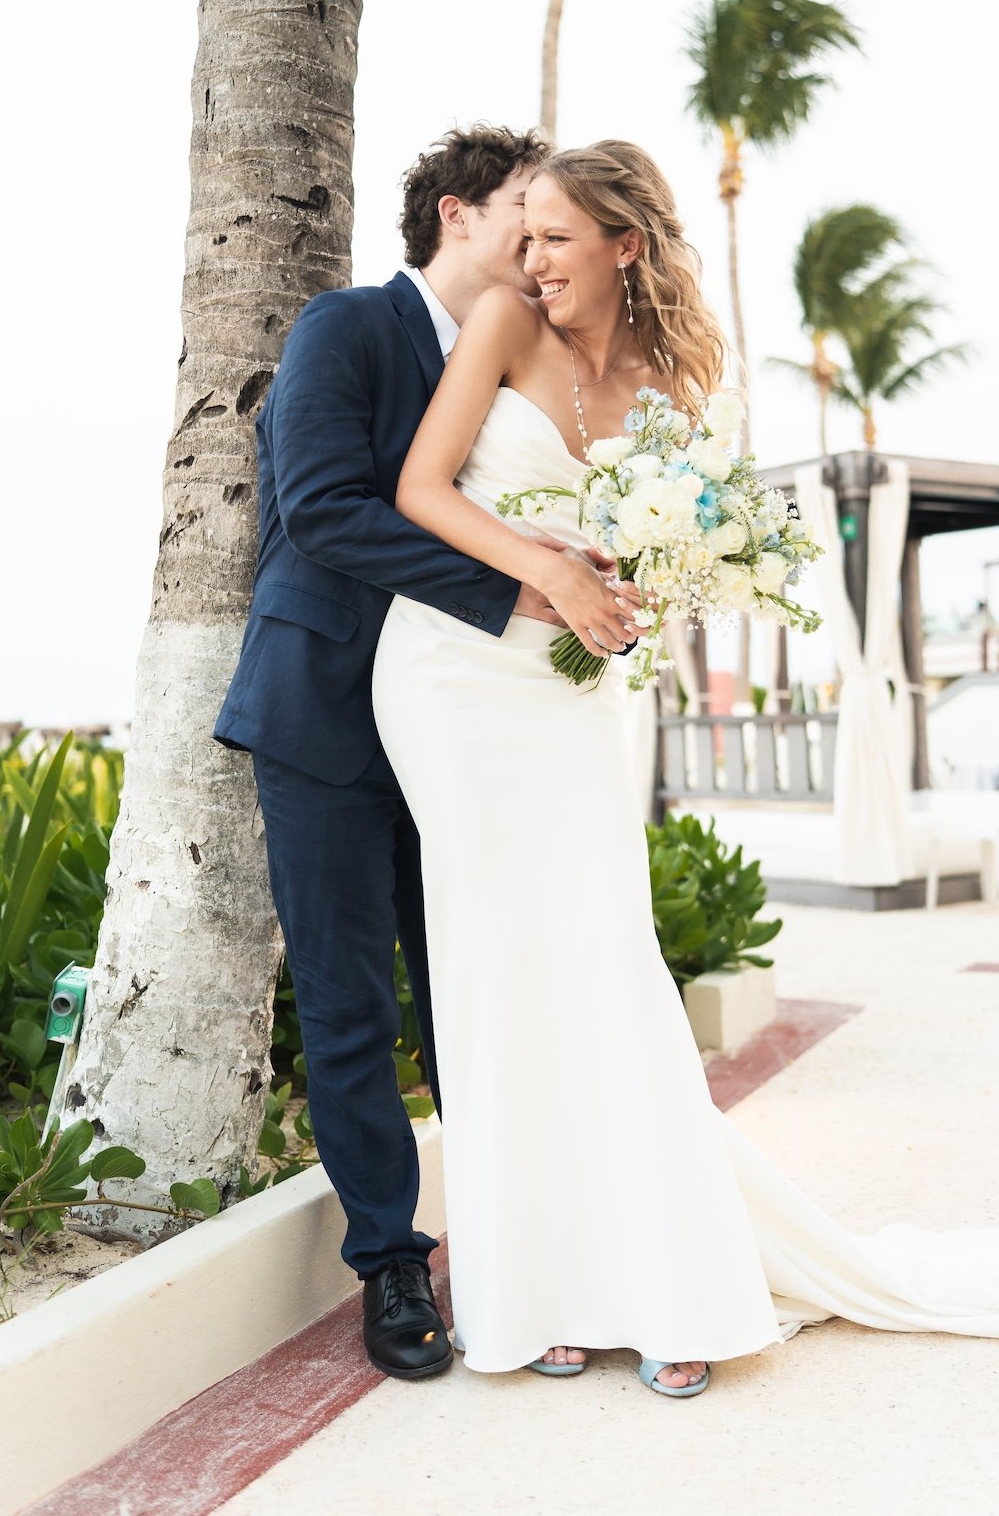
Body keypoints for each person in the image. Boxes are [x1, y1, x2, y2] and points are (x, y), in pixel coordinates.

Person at [371, 139, 999, 1398]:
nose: (529, 255)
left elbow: (679, 549)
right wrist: (546, 569)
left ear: (624, 243)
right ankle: (537, 1290)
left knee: (605, 962)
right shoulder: (501, 323)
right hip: (452, 680)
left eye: (557, 235)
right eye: (527, 232)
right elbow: (418, 490)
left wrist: (642, 579)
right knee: (493, 973)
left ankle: (667, 1278)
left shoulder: (674, 381)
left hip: (571, 695)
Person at [213, 125, 639, 1382]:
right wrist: (518, 593)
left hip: (476, 724)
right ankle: (393, 1263)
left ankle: (531, 1241)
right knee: (353, 1003)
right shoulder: (345, 328)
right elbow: (324, 506)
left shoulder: (531, 355)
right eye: (525, 207)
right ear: (459, 215)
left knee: (482, 984)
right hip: (327, 719)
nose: (542, 231)